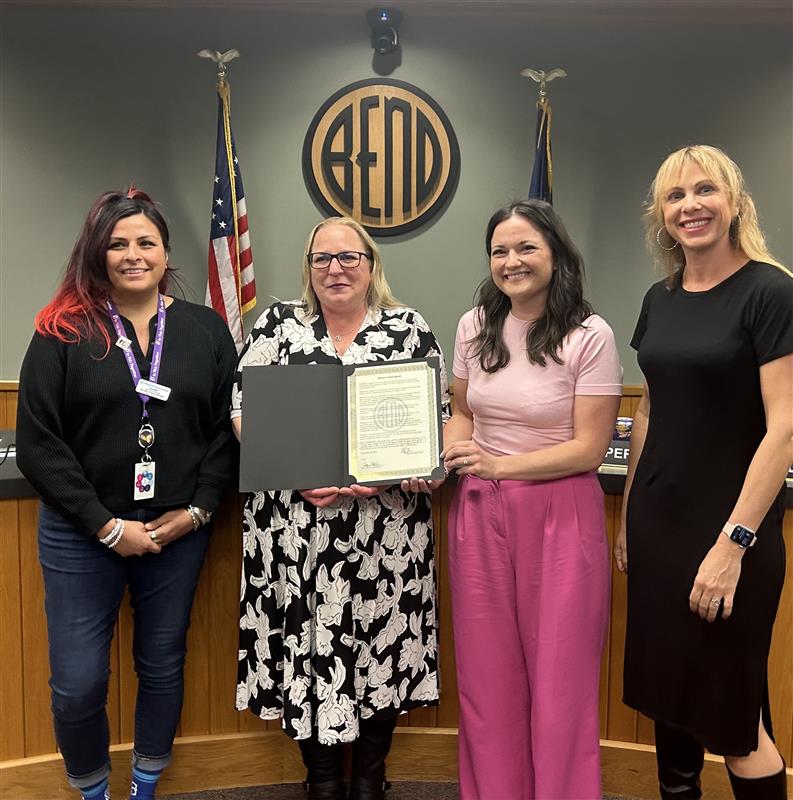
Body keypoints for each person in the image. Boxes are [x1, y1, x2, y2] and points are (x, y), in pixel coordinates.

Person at [16, 189, 239, 800]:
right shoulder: (61, 329)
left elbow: (225, 431)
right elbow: (39, 446)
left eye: (146, 242)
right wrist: (106, 526)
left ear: (167, 252)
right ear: (98, 252)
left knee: (162, 665)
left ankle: (144, 786)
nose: (133, 255)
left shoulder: (206, 329)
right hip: (80, 531)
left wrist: (196, 512)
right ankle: (92, 790)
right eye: (118, 243)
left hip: (177, 530)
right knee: (78, 682)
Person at [231, 216, 449, 800]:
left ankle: (370, 775)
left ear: (371, 264)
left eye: (349, 257)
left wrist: (398, 472)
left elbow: (437, 422)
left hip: (388, 532)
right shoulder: (278, 327)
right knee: (306, 646)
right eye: (322, 258)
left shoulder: (408, 329)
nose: (335, 269)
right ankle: (322, 776)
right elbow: (241, 409)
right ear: (308, 268)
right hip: (296, 530)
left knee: (381, 645)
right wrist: (292, 469)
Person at [615, 145, 792, 799]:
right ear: (660, 216)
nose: (689, 205)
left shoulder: (771, 292)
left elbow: (784, 429)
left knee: (733, 720)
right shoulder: (658, 299)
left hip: (730, 536)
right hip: (660, 528)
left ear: (734, 203)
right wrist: (631, 515)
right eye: (674, 196)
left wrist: (732, 544)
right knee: (671, 701)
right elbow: (650, 414)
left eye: (704, 190)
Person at [442, 200, 622, 799]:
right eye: (500, 251)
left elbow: (590, 448)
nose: (511, 261)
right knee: (487, 681)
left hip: (560, 514)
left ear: (556, 255)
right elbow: (462, 411)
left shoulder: (589, 335)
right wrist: (456, 450)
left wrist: (499, 465)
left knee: (558, 684)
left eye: (526, 248)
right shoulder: (474, 326)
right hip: (478, 514)